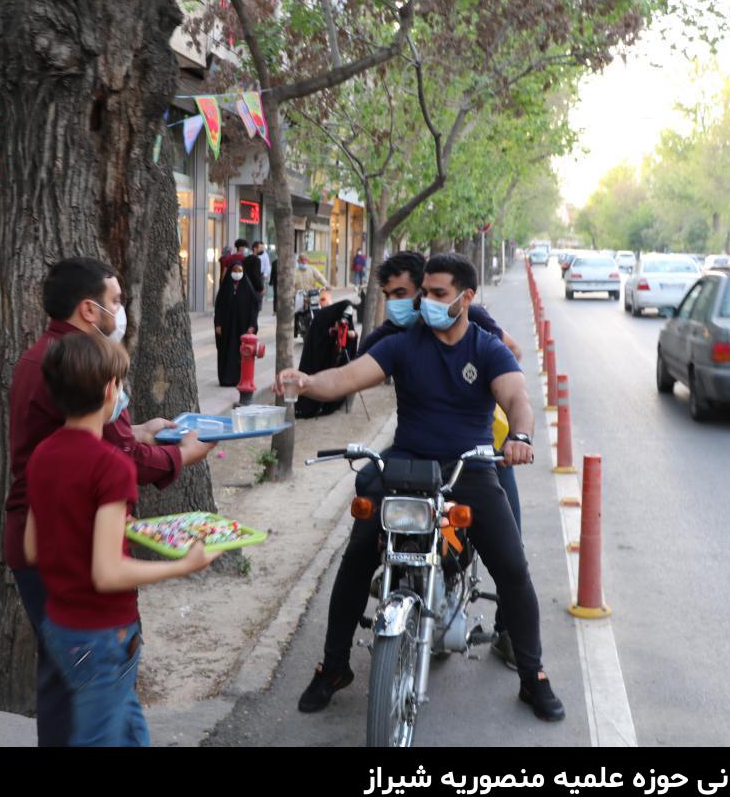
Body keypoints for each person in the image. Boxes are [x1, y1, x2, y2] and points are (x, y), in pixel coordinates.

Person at [278, 252, 564, 722]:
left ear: (465, 298)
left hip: (468, 470)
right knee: (357, 555)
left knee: (513, 568)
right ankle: (333, 666)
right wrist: (306, 381)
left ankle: (532, 676)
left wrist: (520, 436)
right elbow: (347, 377)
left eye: (438, 294)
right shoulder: (403, 344)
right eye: (424, 292)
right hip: (406, 465)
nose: (426, 302)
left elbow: (517, 396)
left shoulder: (485, 346)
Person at [6, 256, 214, 747]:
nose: (119, 311)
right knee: (93, 716)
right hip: (99, 618)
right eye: (115, 302)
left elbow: (37, 545)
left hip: (62, 596)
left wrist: (139, 431)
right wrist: (183, 562)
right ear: (88, 309)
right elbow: (106, 569)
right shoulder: (111, 463)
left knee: (107, 707)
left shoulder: (47, 364)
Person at [357, 251, 525, 535]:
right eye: (389, 296)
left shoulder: (471, 317)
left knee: (506, 522)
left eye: (402, 293)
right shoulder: (395, 333)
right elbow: (358, 367)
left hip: (481, 440)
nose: (395, 304)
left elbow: (509, 353)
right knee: (366, 481)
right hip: (421, 447)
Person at [214, 259, 262, 386]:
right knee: (226, 351)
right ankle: (225, 379)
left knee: (240, 353)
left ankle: (239, 379)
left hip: (243, 327)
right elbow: (218, 307)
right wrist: (218, 324)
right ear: (230, 272)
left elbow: (254, 308)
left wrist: (252, 325)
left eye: (239, 271)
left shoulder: (248, 288)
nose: (237, 273)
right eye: (234, 270)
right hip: (227, 327)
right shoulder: (225, 288)